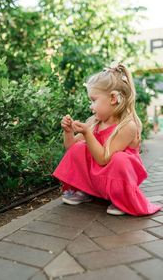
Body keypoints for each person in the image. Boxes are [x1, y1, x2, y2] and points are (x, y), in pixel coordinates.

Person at [53, 61, 162, 216]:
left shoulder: (127, 126)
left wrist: (87, 134)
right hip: (99, 180)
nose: (91, 106)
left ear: (112, 98)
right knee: (79, 147)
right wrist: (68, 132)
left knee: (120, 159)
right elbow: (71, 149)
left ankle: (121, 198)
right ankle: (85, 191)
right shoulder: (94, 121)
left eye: (94, 100)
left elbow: (104, 158)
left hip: (119, 180)